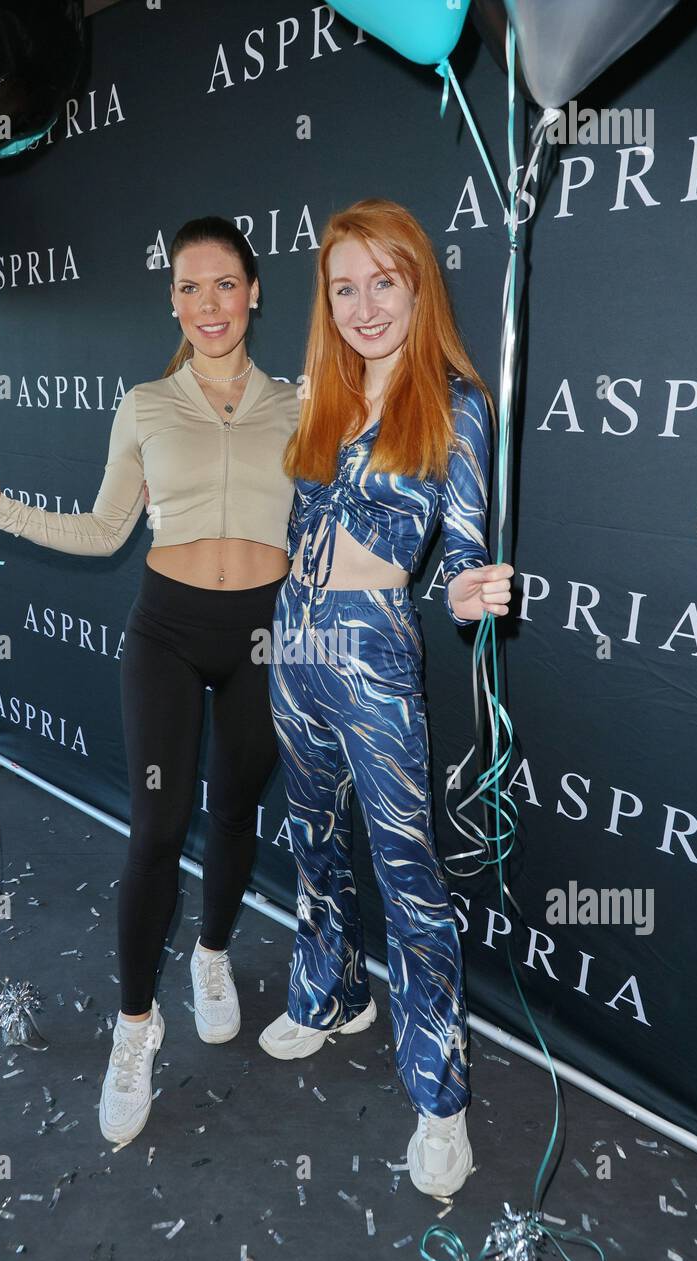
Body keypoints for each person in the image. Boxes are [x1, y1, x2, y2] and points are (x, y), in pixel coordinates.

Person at [0, 216, 300, 1146]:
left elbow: (330, 534)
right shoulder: (145, 404)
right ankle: (135, 1029)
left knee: (235, 813)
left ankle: (212, 959)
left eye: (224, 284)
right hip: (168, 633)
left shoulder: (299, 407)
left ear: (254, 291)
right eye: (189, 287)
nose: (208, 305)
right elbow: (105, 531)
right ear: (171, 299)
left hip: (265, 634)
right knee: (157, 823)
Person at [259, 199, 513, 1200]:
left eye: (383, 281)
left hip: (369, 654)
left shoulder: (455, 405)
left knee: (407, 872)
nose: (364, 305)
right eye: (344, 286)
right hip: (293, 642)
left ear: (417, 284)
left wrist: (466, 592)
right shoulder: (320, 394)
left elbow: (457, 555)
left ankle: (438, 1093)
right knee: (312, 839)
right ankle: (330, 991)